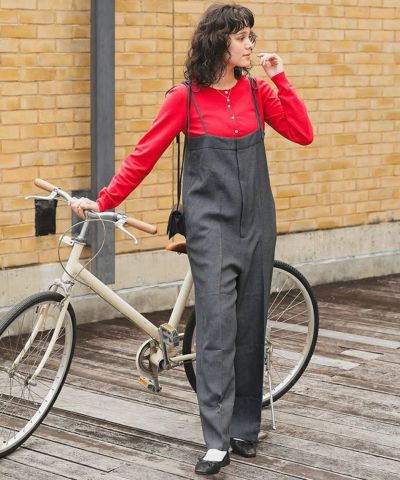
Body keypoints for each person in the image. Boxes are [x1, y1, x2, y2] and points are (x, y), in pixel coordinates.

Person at [70, 2, 313, 475]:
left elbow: (303, 133)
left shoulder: (258, 92)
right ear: (220, 42)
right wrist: (105, 200)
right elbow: (143, 155)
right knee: (217, 331)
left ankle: (245, 427)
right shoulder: (184, 98)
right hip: (210, 228)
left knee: (251, 326)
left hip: (258, 224)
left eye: (251, 36)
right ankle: (216, 440)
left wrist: (281, 79)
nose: (251, 44)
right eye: (242, 37)